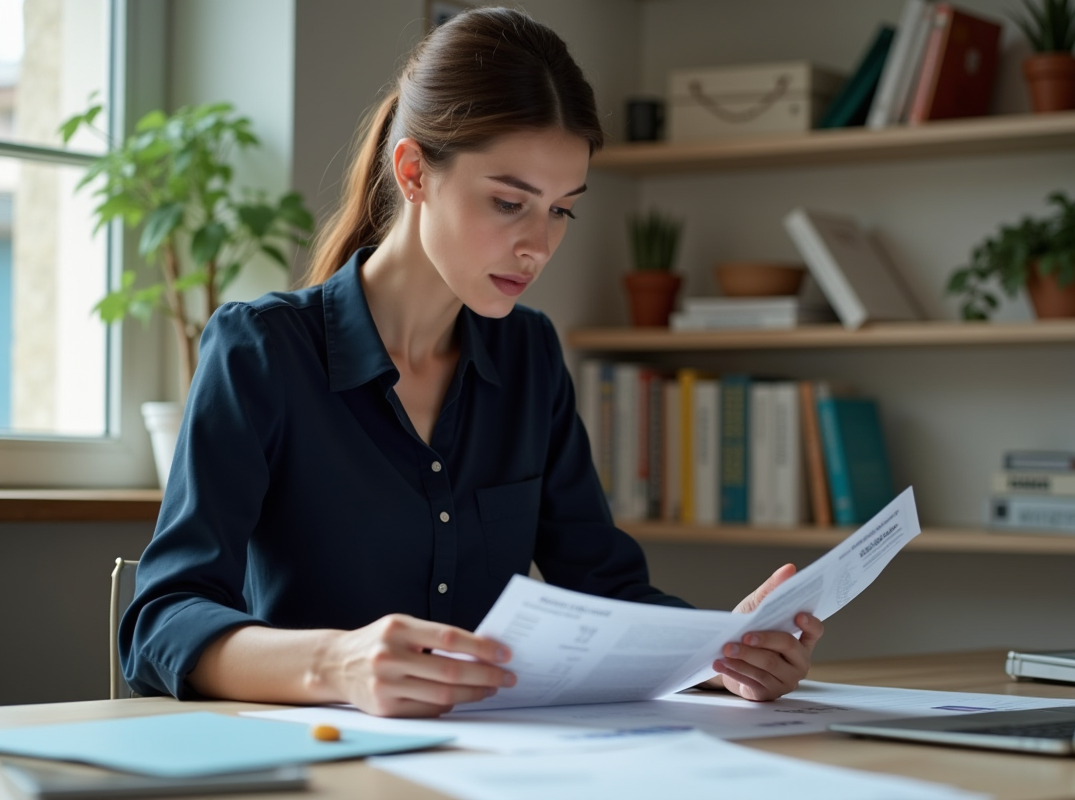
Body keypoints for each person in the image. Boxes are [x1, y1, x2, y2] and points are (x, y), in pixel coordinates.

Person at [120, 7, 824, 718]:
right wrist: (339, 663)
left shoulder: (530, 355)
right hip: (315, 767)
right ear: (414, 172)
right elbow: (161, 623)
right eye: (509, 202)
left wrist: (722, 652)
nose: (537, 245)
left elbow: (606, 592)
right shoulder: (263, 351)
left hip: (490, 764)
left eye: (560, 210)